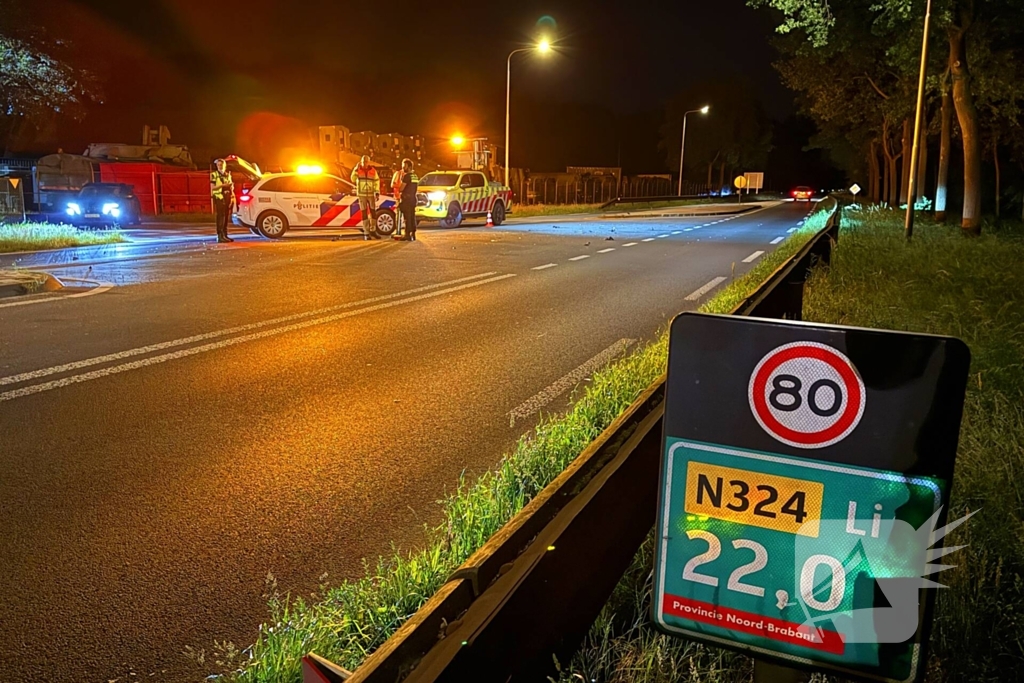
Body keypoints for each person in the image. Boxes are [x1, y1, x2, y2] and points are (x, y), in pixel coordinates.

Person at [351, 155, 380, 239]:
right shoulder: (358, 170)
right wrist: (356, 170)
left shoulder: (373, 170)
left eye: (366, 161)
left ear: (369, 162)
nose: (364, 163)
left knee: (373, 213)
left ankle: (373, 230)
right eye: (363, 161)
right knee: (364, 213)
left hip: (371, 194)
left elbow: (377, 182)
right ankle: (366, 233)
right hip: (362, 195)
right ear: (361, 161)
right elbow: (352, 179)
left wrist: (377, 192)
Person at [210, 158, 234, 243]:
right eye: (218, 165)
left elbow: (231, 187)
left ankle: (225, 234)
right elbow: (212, 188)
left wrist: (232, 197)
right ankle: (220, 236)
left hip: (227, 196)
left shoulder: (228, 175)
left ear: (225, 166)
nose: (220, 166)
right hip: (219, 197)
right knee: (221, 217)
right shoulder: (214, 174)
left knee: (226, 216)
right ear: (216, 166)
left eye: (221, 165)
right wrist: (223, 185)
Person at [399, 158, 419, 241]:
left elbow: (401, 188)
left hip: (406, 199)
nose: (403, 167)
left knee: (407, 217)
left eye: (405, 166)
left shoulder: (406, 176)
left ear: (409, 166)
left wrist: (401, 179)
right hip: (413, 198)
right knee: (412, 216)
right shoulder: (415, 176)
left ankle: (407, 234)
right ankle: (413, 233)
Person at [390, 167, 404, 238]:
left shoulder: (408, 174)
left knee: (403, 214)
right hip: (399, 197)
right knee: (399, 214)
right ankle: (398, 231)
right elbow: (392, 184)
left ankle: (402, 231)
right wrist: (402, 186)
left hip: (405, 197)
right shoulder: (398, 174)